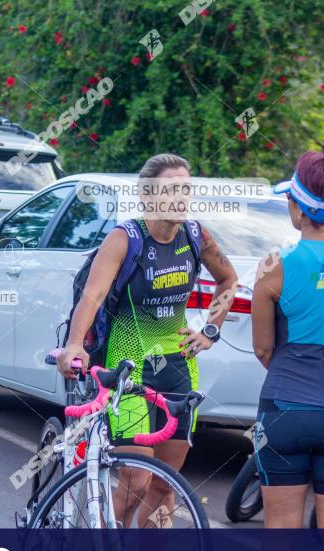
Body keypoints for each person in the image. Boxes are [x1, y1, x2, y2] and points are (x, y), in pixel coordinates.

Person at [58, 153, 238, 528]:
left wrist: (209, 331)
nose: (180, 198)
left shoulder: (195, 234)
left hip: (178, 368)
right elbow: (91, 297)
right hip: (130, 368)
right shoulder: (125, 239)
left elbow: (229, 280)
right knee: (136, 480)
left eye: (185, 190)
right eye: (170, 190)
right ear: (146, 196)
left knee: (163, 484)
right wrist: (75, 344)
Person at [252, 151, 324, 529]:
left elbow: (264, 349)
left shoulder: (273, 265)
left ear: (301, 211)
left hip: (285, 406)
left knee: (280, 539)